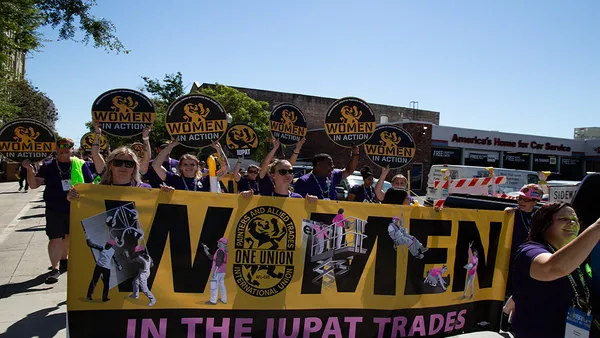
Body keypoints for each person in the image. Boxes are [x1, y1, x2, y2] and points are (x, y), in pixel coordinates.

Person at [511, 202, 600, 337]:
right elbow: (552, 268)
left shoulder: (578, 255)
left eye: (575, 220)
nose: (572, 223)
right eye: (563, 219)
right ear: (544, 225)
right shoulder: (529, 250)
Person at [23, 138, 94, 283]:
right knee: (55, 238)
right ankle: (55, 269)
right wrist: (29, 170)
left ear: (72, 148)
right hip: (54, 208)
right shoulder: (48, 165)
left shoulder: (80, 164)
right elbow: (34, 185)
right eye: (60, 146)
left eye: (67, 146)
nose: (64, 149)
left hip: (75, 208)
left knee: (68, 237)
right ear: (56, 148)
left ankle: (63, 260)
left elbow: (90, 185)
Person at [502, 184, 543, 327]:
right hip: (510, 259)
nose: (521, 202)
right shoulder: (513, 213)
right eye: (520, 198)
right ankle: (505, 317)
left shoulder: (538, 218)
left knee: (520, 291)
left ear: (535, 202)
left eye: (526, 200)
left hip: (526, 259)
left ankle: (509, 318)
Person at [152, 140, 228, 192]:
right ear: (180, 167)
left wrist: (219, 149)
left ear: (197, 167)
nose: (189, 167)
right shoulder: (174, 179)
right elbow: (156, 165)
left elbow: (225, 169)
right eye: (185, 164)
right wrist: (170, 147)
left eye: (192, 164)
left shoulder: (206, 180)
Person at [293, 145, 359, 200]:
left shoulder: (333, 175)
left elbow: (348, 171)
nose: (333, 167)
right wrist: (307, 199)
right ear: (318, 165)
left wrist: (355, 154)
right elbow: (297, 202)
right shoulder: (303, 181)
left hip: (333, 214)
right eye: (329, 164)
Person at [203, 238, 228, 305]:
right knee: (221, 285)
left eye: (219, 242)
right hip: (222, 271)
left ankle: (213, 301)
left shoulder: (220, 251)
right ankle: (224, 299)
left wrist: (215, 271)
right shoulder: (224, 251)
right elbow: (212, 257)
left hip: (218, 271)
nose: (217, 243)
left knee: (213, 285)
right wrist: (206, 251)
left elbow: (218, 261)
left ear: (221, 243)